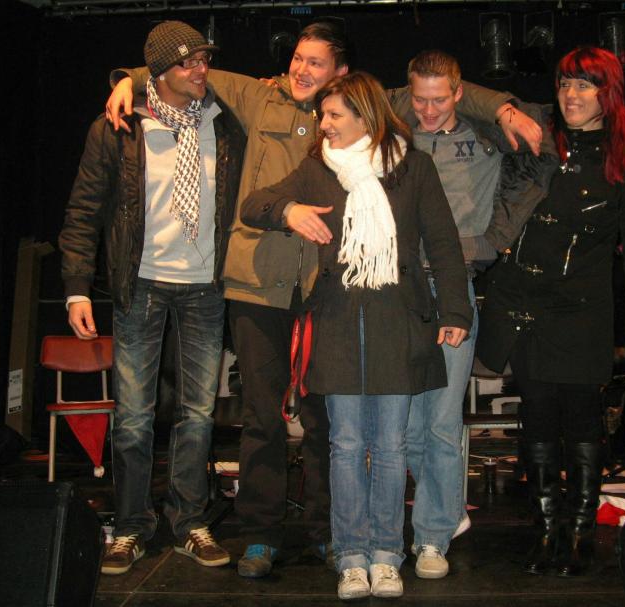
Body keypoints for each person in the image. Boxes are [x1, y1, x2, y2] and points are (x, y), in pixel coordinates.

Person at [104, 20, 544, 578]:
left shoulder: (387, 139)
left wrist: (503, 108)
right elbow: (190, 71)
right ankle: (271, 537)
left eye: (315, 63)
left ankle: (347, 537)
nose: (301, 70)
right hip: (274, 290)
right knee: (276, 421)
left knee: (353, 430)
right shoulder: (268, 107)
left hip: (354, 301)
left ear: (343, 77)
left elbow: (438, 106)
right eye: (297, 58)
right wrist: (130, 78)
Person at [240, 71, 472, 600]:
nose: (323, 124)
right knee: (345, 445)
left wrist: (455, 310)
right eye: (323, 115)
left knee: (390, 445)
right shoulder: (317, 168)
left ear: (365, 116)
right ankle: (350, 557)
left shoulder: (414, 167)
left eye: (333, 115)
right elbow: (253, 205)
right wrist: (289, 210)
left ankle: (387, 555)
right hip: (337, 323)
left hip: (399, 323)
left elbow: (443, 244)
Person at [59, 21, 246, 575]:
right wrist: (75, 290)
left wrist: (129, 75)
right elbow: (83, 211)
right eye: (188, 63)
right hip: (139, 282)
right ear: (159, 73)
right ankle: (130, 526)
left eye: (204, 60)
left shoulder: (226, 122)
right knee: (135, 417)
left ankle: (189, 523)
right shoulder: (116, 127)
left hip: (204, 285)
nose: (201, 70)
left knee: (198, 414)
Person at [477, 46, 625, 577]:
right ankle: (545, 530)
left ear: (608, 94)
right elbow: (461, 99)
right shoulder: (532, 139)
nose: (571, 95)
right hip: (524, 304)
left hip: (583, 310)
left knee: (582, 422)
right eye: (564, 84)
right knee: (536, 419)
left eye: (585, 85)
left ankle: (580, 532)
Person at [403, 50, 558, 580]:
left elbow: (563, 122)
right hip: (399, 289)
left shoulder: (489, 132)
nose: (428, 111)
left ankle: (432, 536)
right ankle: (448, 511)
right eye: (419, 100)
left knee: (441, 421)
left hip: (454, 286)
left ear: (459, 94)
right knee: (407, 428)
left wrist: (492, 240)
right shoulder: (393, 130)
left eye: (439, 100)